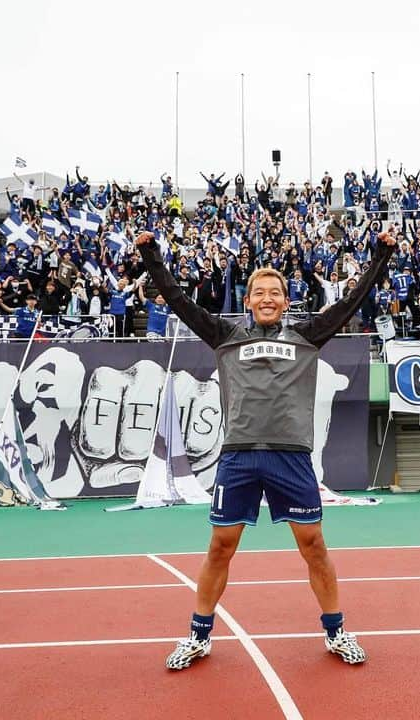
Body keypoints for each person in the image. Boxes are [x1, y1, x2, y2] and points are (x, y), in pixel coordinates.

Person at [136, 225, 397, 671]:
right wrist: (152, 256)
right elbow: (179, 301)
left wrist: (380, 256)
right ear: (249, 301)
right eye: (260, 292)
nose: (268, 298)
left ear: (286, 301)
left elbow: (352, 301)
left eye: (275, 292)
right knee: (220, 547)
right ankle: (199, 637)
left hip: (291, 457)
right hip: (239, 456)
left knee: (314, 545)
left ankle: (336, 631)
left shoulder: (308, 335)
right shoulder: (225, 336)